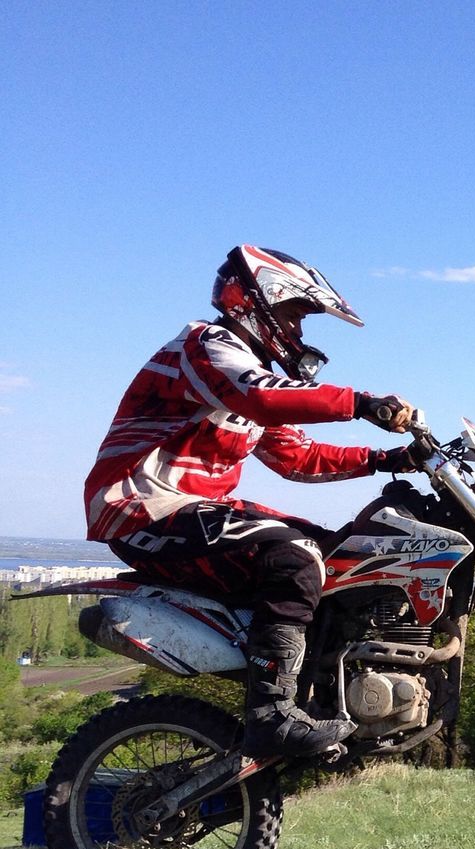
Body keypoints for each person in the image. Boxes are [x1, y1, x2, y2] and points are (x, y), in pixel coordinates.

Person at [84, 244, 423, 758]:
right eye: (294, 315)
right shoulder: (205, 347)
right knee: (293, 559)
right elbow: (262, 397)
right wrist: (361, 402)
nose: (300, 332)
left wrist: (389, 460)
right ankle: (270, 715)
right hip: (140, 509)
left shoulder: (247, 372)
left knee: (338, 553)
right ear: (256, 302)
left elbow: (298, 458)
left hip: (188, 511)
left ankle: (322, 693)